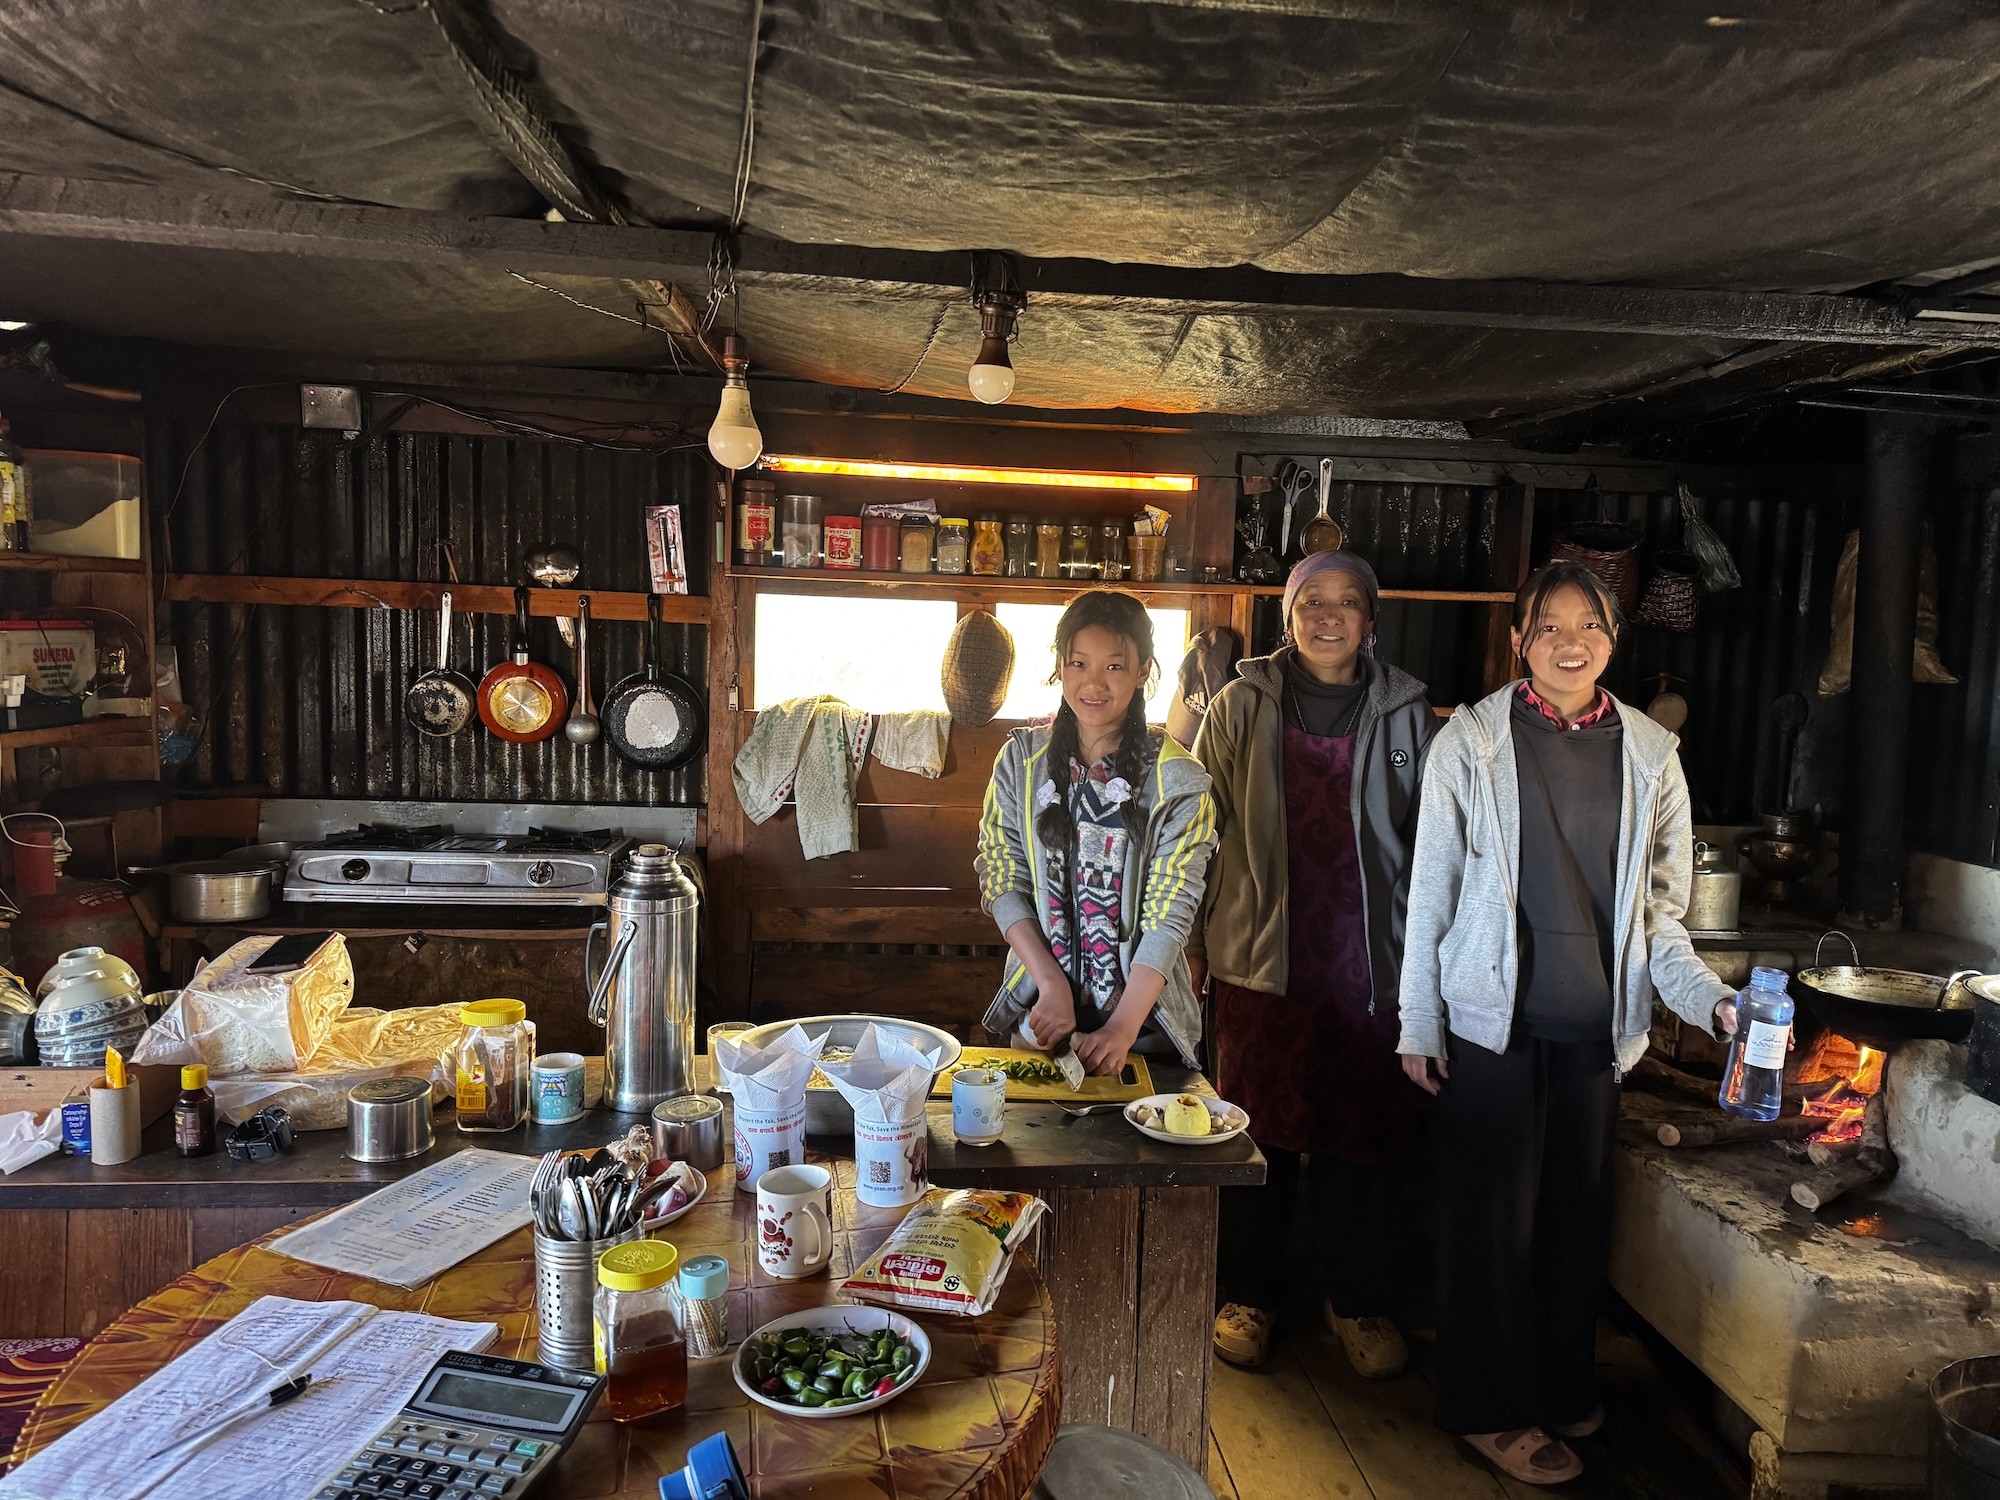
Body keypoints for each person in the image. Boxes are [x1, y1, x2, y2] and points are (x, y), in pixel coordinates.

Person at [1396, 561, 1737, 1486]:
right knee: (1491, 1224)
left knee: (1572, 1223)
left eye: (1589, 625)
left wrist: (1714, 1002)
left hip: (1595, 1029)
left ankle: (1555, 1380)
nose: (1569, 642)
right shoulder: (1470, 742)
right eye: (1549, 626)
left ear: (1615, 641)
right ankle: (1490, 1409)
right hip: (1490, 1023)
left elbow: (1663, 920)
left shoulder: (1652, 756)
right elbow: (1430, 892)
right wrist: (1418, 1021)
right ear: (1520, 641)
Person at [1191, 550, 1438, 1375]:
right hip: (1261, 958)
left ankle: (1356, 1303)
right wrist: (1193, 947)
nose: (1329, 618)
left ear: (1371, 621)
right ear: (1288, 617)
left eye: (1347, 604)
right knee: (1254, 1134)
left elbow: (1433, 848)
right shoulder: (1239, 704)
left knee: (1359, 1137)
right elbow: (1199, 836)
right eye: (1312, 603)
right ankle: (1250, 1295)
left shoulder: (1407, 710)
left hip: (1372, 964)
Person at [975, 589, 1219, 1075]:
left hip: (1145, 1028)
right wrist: (1051, 983)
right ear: (1059, 666)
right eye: (1078, 663)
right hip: (1042, 1012)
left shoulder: (1180, 780)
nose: (1093, 683)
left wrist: (1123, 1028)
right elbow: (1001, 879)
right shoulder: (1020, 762)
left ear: (1143, 670)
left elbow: (1169, 914)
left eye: (1114, 666)